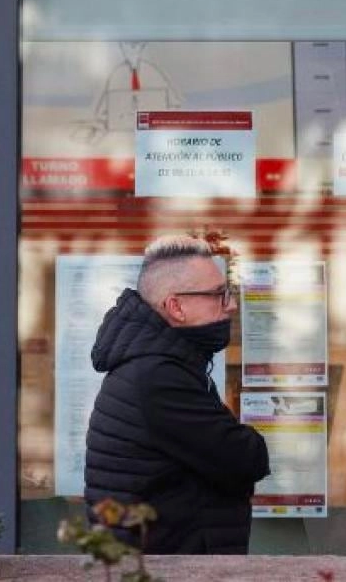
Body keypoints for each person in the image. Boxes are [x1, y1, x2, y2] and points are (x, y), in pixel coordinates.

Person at [84, 235, 271, 555]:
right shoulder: (159, 378)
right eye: (218, 295)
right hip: (170, 567)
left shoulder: (158, 365)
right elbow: (248, 457)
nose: (232, 304)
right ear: (176, 306)